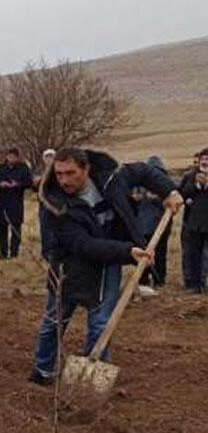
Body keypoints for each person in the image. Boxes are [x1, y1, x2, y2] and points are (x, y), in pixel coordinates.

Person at [29, 147, 183, 385]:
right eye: (59, 174)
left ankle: (90, 381)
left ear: (87, 169)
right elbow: (83, 244)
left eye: (70, 173)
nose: (63, 180)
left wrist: (169, 191)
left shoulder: (112, 178)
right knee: (55, 319)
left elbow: (144, 171)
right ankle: (43, 370)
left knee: (101, 322)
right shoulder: (55, 205)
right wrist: (126, 251)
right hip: (69, 265)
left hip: (109, 258)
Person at [133, 156, 173, 293]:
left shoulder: (161, 184)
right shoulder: (142, 184)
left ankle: (152, 280)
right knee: (155, 254)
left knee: (152, 254)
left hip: (154, 225)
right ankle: (153, 280)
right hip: (149, 225)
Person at [0, 148, 33, 259]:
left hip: (16, 202)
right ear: (6, 156)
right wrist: (0, 184)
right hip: (2, 202)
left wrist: (18, 184)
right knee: (2, 229)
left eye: (13, 156)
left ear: (17, 157)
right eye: (9, 156)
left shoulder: (23, 168)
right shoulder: (1, 168)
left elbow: (29, 183)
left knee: (16, 229)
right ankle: (3, 253)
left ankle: (14, 253)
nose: (11, 158)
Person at [179, 147, 208, 294]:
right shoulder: (191, 176)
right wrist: (198, 186)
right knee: (194, 255)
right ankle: (195, 285)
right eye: (203, 159)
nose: (205, 162)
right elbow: (182, 193)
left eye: (207, 160)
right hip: (194, 223)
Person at [34, 149, 57, 261]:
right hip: (43, 204)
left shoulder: (58, 170)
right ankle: (45, 252)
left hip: (55, 204)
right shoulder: (39, 169)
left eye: (51, 157)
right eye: (47, 157)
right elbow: (34, 184)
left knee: (55, 229)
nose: (49, 159)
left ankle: (54, 252)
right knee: (44, 228)